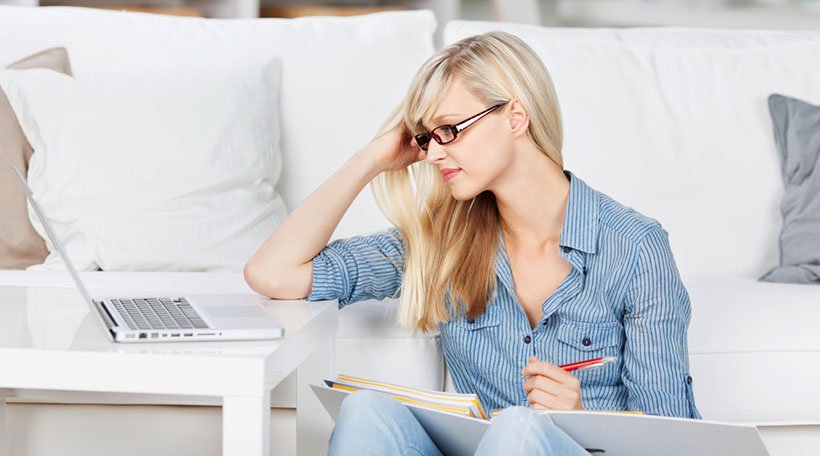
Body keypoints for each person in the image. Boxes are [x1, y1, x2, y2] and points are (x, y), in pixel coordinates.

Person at [244, 31, 701, 455]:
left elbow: (673, 436)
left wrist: (581, 419)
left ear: (516, 117)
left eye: (449, 130)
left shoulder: (635, 248)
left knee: (517, 430)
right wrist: (372, 159)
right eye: (426, 138)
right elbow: (273, 273)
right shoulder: (443, 241)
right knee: (366, 412)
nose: (434, 153)